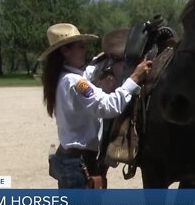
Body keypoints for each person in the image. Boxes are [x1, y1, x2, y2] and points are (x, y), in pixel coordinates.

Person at [39, 23, 152, 189]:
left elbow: (89, 73)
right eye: (80, 46)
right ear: (65, 51)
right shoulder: (75, 82)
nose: (85, 50)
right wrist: (134, 78)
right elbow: (108, 107)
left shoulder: (60, 77)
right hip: (79, 163)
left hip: (71, 159)